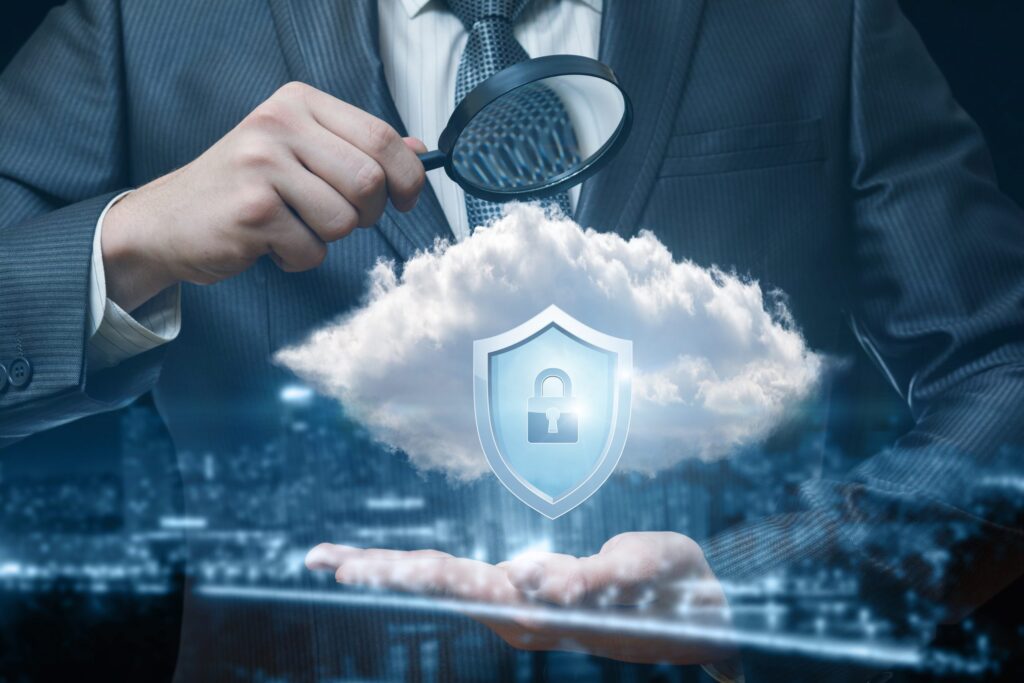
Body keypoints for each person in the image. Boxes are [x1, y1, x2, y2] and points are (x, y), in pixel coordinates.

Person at [2, 1, 1023, 681]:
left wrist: (754, 583)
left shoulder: (817, 17)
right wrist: (129, 238)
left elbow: (1004, 373)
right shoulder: (144, 25)